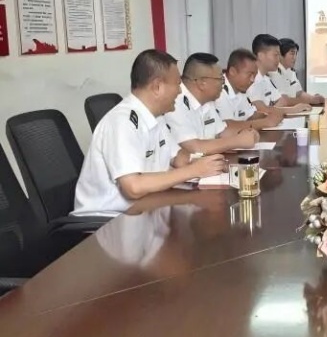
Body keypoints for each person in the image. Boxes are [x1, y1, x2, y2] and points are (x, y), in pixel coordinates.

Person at [72, 50, 226, 217]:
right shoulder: (122, 122)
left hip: (144, 207)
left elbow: (178, 157)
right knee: (200, 213)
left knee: (204, 207)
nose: (180, 91)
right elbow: (133, 187)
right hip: (109, 219)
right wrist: (194, 171)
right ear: (157, 87)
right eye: (177, 84)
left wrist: (210, 164)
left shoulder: (156, 117)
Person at [165, 52, 260, 154]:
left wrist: (248, 132)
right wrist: (237, 141)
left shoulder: (207, 100)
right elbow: (194, 147)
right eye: (220, 79)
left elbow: (221, 132)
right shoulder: (174, 103)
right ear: (202, 83)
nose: (223, 84)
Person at [215, 48, 284, 129]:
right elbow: (227, 127)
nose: (252, 80)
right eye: (249, 74)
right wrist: (265, 122)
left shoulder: (241, 89)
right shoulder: (218, 92)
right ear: (232, 71)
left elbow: (251, 115)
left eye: (254, 75)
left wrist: (269, 115)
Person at [246, 34, 312, 115]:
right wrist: (294, 109)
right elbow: (262, 110)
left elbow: (281, 102)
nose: (278, 59)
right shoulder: (251, 79)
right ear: (261, 56)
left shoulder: (266, 79)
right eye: (275, 55)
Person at [268, 38, 325, 105]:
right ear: (280, 55)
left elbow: (299, 93)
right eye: (292, 54)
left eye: (296, 54)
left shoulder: (291, 71)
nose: (295, 57)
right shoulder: (274, 72)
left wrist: (314, 98)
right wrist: (310, 100)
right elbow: (284, 100)